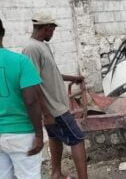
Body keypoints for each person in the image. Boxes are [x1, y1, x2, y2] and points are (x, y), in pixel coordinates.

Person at [22, 13, 88, 179]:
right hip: (54, 109)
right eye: (52, 30)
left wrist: (74, 78)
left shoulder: (42, 46)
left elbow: (51, 74)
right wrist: (46, 113)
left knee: (55, 137)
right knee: (78, 139)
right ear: (46, 28)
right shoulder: (31, 49)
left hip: (55, 107)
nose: (53, 33)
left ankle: (56, 174)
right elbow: (33, 83)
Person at [0, 18, 44, 178]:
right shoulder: (20, 62)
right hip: (21, 134)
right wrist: (39, 135)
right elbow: (31, 100)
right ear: (3, 33)